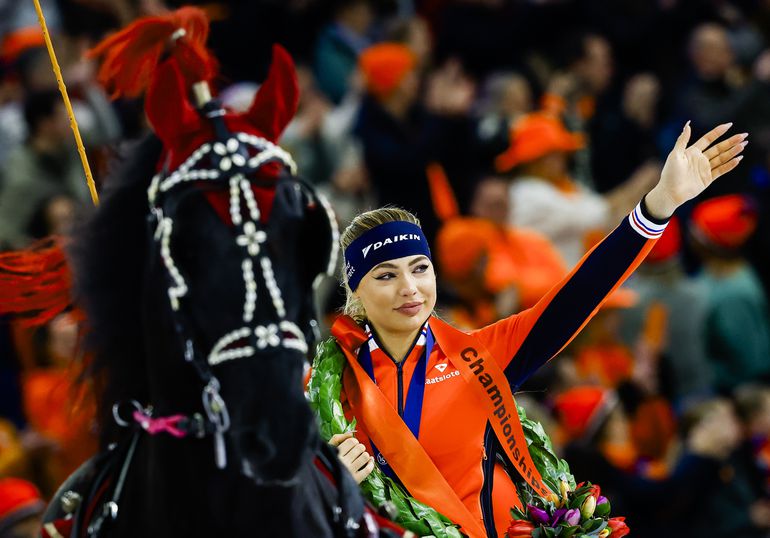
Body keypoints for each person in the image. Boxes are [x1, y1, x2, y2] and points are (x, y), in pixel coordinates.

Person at [322, 122, 746, 537]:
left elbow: (578, 294)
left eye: (420, 268)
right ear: (355, 291)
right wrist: (329, 481)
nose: (409, 288)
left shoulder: (480, 355)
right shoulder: (328, 392)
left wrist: (658, 204)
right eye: (385, 275)